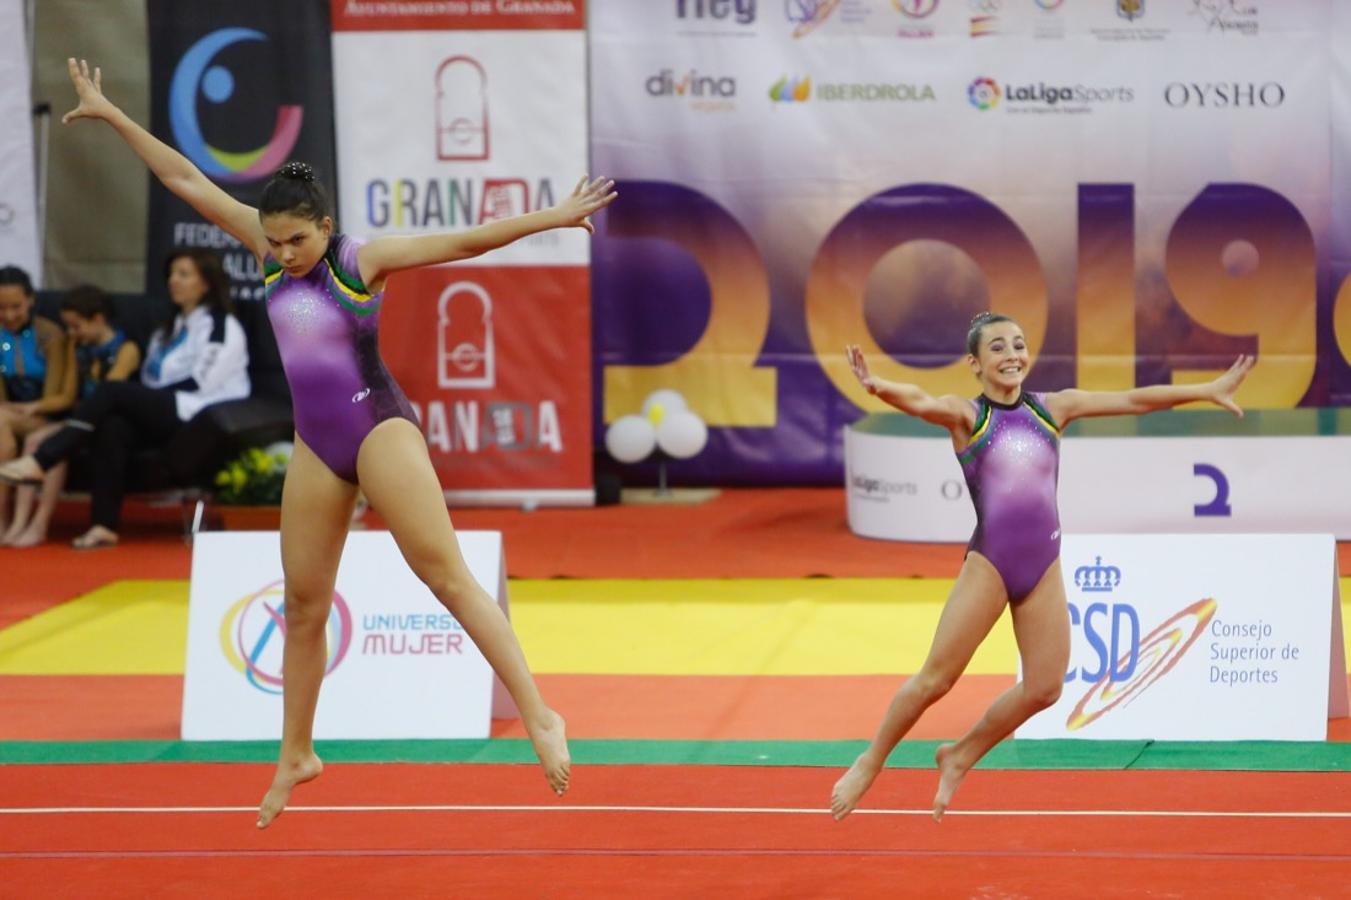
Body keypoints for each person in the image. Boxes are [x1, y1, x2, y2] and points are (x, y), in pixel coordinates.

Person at [31, 58, 615, 828]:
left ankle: (540, 713)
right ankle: (297, 752)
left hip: (378, 428)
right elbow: (183, 179)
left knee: (444, 576)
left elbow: (465, 242)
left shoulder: (357, 261)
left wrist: (550, 216)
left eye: (296, 240)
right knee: (304, 604)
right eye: (273, 242)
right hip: (318, 445)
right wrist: (111, 114)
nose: (283, 253)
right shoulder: (268, 243)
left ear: (326, 228)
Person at [831, 313, 1253, 822]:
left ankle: (961, 753)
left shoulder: (1054, 409)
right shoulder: (968, 417)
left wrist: (1208, 389)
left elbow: (1133, 399)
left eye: (1018, 344)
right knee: (935, 681)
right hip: (990, 564)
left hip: (1044, 565)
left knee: (1045, 688)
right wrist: (878, 388)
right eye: (997, 348)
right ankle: (870, 762)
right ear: (975, 363)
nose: (1012, 355)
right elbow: (920, 400)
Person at [0, 248, 250, 549]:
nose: (174, 281)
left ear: (206, 283)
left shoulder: (221, 325)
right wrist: (143, 400)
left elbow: (201, 380)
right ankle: (103, 525)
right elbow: (150, 376)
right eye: (171, 274)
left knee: (112, 391)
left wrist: (144, 399)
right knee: (113, 424)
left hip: (197, 410)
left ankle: (43, 458)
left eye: (183, 275)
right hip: (166, 406)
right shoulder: (168, 329)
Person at [1, 285, 141, 547]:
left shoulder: (126, 349)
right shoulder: (77, 347)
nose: (71, 333)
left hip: (106, 424)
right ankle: (20, 521)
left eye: (76, 326)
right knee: (35, 441)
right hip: (77, 420)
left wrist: (41, 408)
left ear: (98, 319)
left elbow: (108, 395)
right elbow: (68, 394)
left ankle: (39, 522)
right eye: (68, 327)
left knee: (50, 442)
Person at [0, 265, 74, 532]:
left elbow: (60, 398)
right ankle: (3, 518)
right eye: (1, 307)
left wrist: (25, 409)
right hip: (9, 418)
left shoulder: (49, 335)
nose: (8, 315)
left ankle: (9, 520)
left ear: (31, 300)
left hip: (49, 416)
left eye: (16, 306)